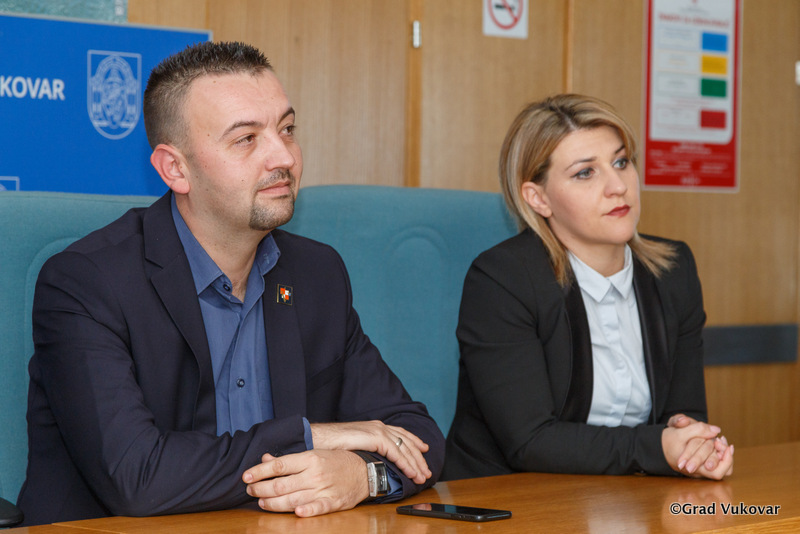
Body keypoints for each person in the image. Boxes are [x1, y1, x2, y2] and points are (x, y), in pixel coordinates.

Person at [17, 41, 444, 526]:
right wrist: (312, 437)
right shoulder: (86, 282)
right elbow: (136, 478)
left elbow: (416, 436)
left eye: (287, 129)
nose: (283, 156)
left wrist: (363, 475)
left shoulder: (317, 273)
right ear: (175, 168)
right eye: (246, 139)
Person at [442, 94, 734, 481]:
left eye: (621, 162)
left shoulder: (673, 270)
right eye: (585, 173)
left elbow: (684, 413)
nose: (617, 186)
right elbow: (530, 441)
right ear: (538, 198)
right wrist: (656, 448)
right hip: (508, 496)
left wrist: (694, 447)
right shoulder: (502, 280)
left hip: (628, 495)